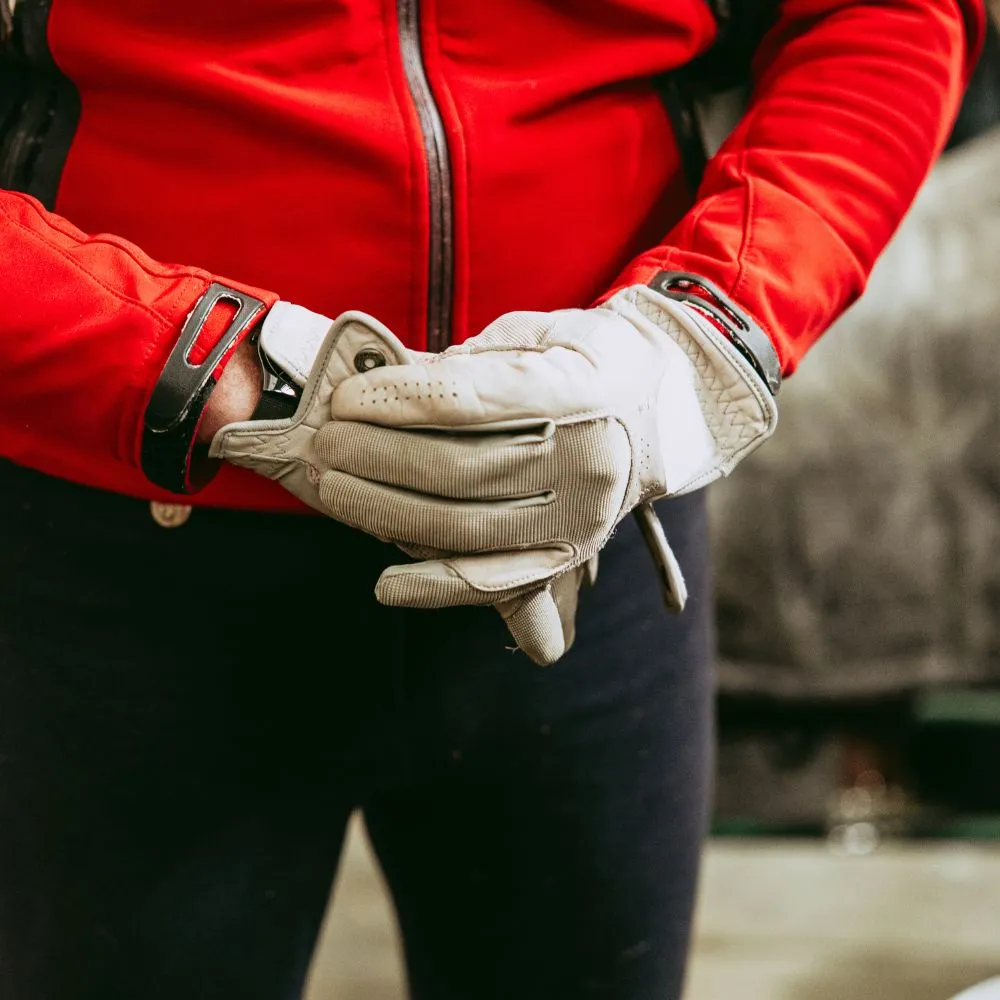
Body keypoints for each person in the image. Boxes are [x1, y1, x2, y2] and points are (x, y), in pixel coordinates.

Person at [0, 1, 984, 998]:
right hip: (123, 555)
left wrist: (697, 337)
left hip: (591, 516)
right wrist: (191, 363)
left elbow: (883, 16)